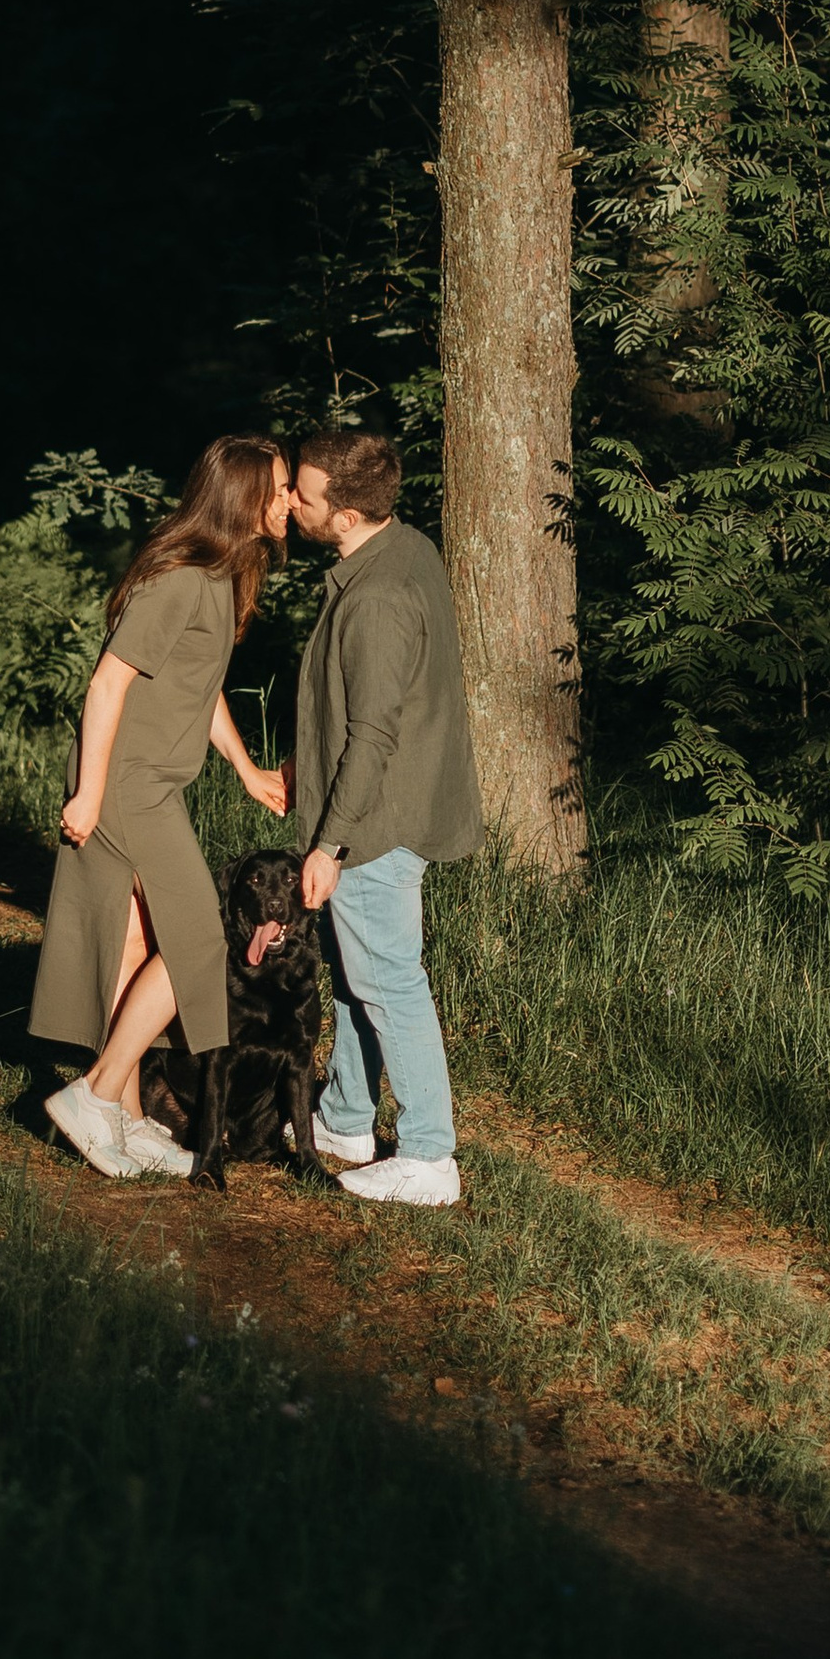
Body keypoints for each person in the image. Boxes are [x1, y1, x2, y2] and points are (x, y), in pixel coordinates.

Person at [30, 434, 292, 1181]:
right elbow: (108, 682)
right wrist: (88, 792)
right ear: (243, 498)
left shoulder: (220, 576)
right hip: (126, 782)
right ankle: (95, 1092)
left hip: (147, 780)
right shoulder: (181, 578)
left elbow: (197, 683)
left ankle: (128, 1116)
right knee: (200, 942)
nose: (286, 503)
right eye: (275, 491)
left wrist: (245, 769)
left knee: (139, 946)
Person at [286, 427, 483, 1207]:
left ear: (341, 513)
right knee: (356, 973)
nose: (289, 504)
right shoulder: (405, 548)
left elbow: (373, 732)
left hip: (376, 820)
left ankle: (432, 1157)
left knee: (390, 983)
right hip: (394, 801)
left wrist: (332, 841)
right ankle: (346, 1120)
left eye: (301, 495)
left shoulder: (376, 597)